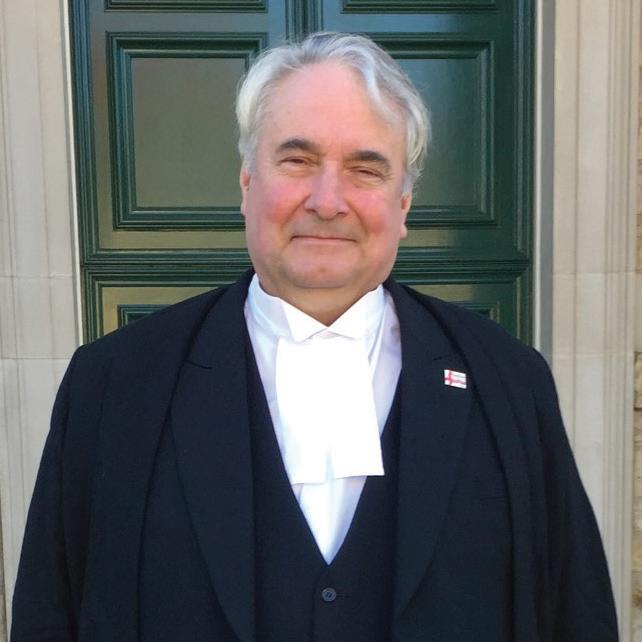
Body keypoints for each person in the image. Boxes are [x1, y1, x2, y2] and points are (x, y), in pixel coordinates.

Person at [12, 32, 617, 642]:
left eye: (366, 169)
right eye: (297, 161)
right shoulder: (114, 384)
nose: (328, 202)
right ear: (246, 182)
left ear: (404, 204)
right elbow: (49, 611)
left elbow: (575, 609)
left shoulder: (510, 381)